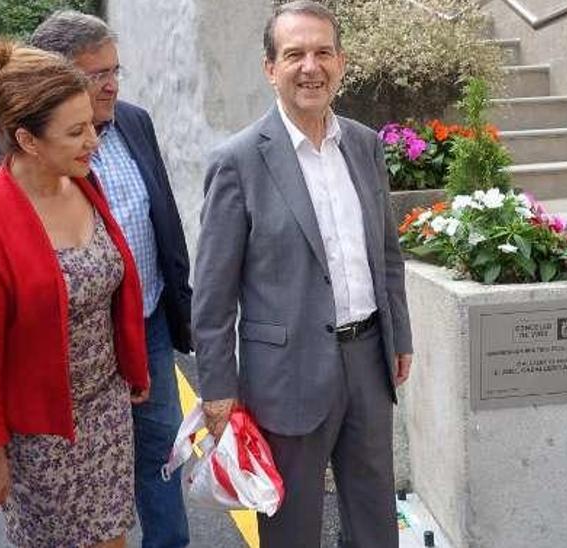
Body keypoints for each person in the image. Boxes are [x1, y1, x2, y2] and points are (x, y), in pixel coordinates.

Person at [0, 12, 192, 547]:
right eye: (77, 130)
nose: (95, 138)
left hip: (109, 399)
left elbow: (142, 251)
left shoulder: (82, 181)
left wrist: (136, 356)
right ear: (28, 140)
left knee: (129, 513)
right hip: (46, 427)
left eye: (92, 123)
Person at [191, 1, 414, 546]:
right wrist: (218, 390)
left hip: (368, 361)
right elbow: (213, 296)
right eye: (294, 54)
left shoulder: (364, 145)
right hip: (284, 375)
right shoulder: (238, 161)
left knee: (374, 518)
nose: (310, 66)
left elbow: (386, 252)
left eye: (322, 52)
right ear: (271, 68)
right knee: (291, 527)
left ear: (341, 62)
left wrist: (399, 336)